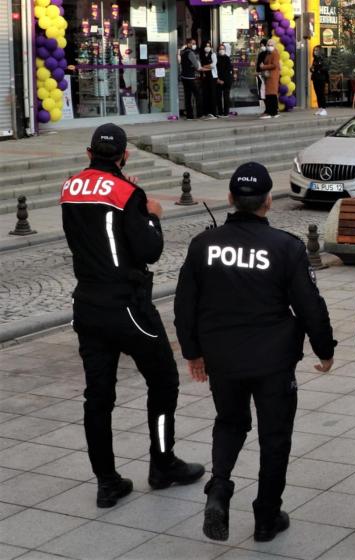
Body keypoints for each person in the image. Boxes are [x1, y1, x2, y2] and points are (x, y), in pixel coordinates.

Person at [174, 162, 336, 543]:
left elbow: (185, 305)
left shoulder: (203, 245)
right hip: (273, 362)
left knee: (230, 422)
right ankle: (266, 517)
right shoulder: (286, 247)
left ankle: (219, 487)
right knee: (274, 437)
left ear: (230, 199)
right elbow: (309, 305)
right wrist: (325, 348)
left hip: (222, 359)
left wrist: (193, 353)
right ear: (267, 202)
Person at [60, 124, 205, 508]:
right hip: (128, 306)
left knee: (98, 396)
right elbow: (149, 249)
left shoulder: (70, 187)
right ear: (125, 155)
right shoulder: (129, 194)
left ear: (89, 154)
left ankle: (106, 482)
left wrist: (126, 192)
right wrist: (152, 214)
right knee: (163, 381)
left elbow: (98, 205)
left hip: (87, 305)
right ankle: (162, 464)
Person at [180, 39, 201, 120]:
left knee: (187, 96)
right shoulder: (191, 53)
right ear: (188, 44)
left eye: (195, 43)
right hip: (190, 77)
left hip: (184, 77)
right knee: (197, 94)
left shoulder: (183, 52)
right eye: (193, 43)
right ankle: (199, 113)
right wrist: (196, 64)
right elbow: (197, 66)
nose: (194, 45)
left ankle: (189, 115)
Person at [260, 39, 280, 119]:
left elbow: (274, 65)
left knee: (271, 94)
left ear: (274, 45)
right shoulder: (269, 53)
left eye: (271, 45)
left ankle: (272, 112)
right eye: (268, 45)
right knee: (269, 94)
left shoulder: (275, 53)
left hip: (272, 75)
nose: (269, 46)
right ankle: (271, 112)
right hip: (268, 75)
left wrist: (264, 66)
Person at [199, 41, 218, 120]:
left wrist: (204, 67)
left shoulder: (213, 54)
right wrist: (205, 68)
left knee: (212, 95)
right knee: (205, 94)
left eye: (209, 46)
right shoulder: (202, 55)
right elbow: (199, 66)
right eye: (206, 46)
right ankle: (206, 112)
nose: (207, 47)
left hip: (212, 77)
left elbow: (213, 65)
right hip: (205, 77)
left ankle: (213, 113)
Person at [310, 45, 329, 116]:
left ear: (320, 51)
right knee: (317, 94)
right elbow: (313, 67)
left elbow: (325, 68)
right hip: (315, 78)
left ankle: (324, 109)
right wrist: (311, 69)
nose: (315, 52)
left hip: (321, 78)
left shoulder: (323, 59)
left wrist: (318, 69)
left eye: (316, 50)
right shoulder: (315, 59)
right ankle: (320, 108)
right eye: (314, 50)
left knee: (321, 94)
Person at [216, 44, 233, 118]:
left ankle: (226, 112)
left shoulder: (227, 58)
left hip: (226, 80)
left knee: (226, 97)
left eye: (223, 49)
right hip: (218, 80)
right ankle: (220, 112)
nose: (221, 50)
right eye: (220, 49)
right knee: (218, 97)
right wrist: (217, 79)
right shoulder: (216, 58)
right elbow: (215, 70)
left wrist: (224, 80)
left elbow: (228, 70)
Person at [255, 39, 268, 115]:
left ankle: (269, 109)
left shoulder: (269, 54)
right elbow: (258, 64)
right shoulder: (261, 54)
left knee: (265, 92)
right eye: (261, 45)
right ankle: (266, 108)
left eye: (263, 45)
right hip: (260, 75)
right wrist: (257, 72)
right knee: (261, 93)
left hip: (265, 75)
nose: (261, 47)